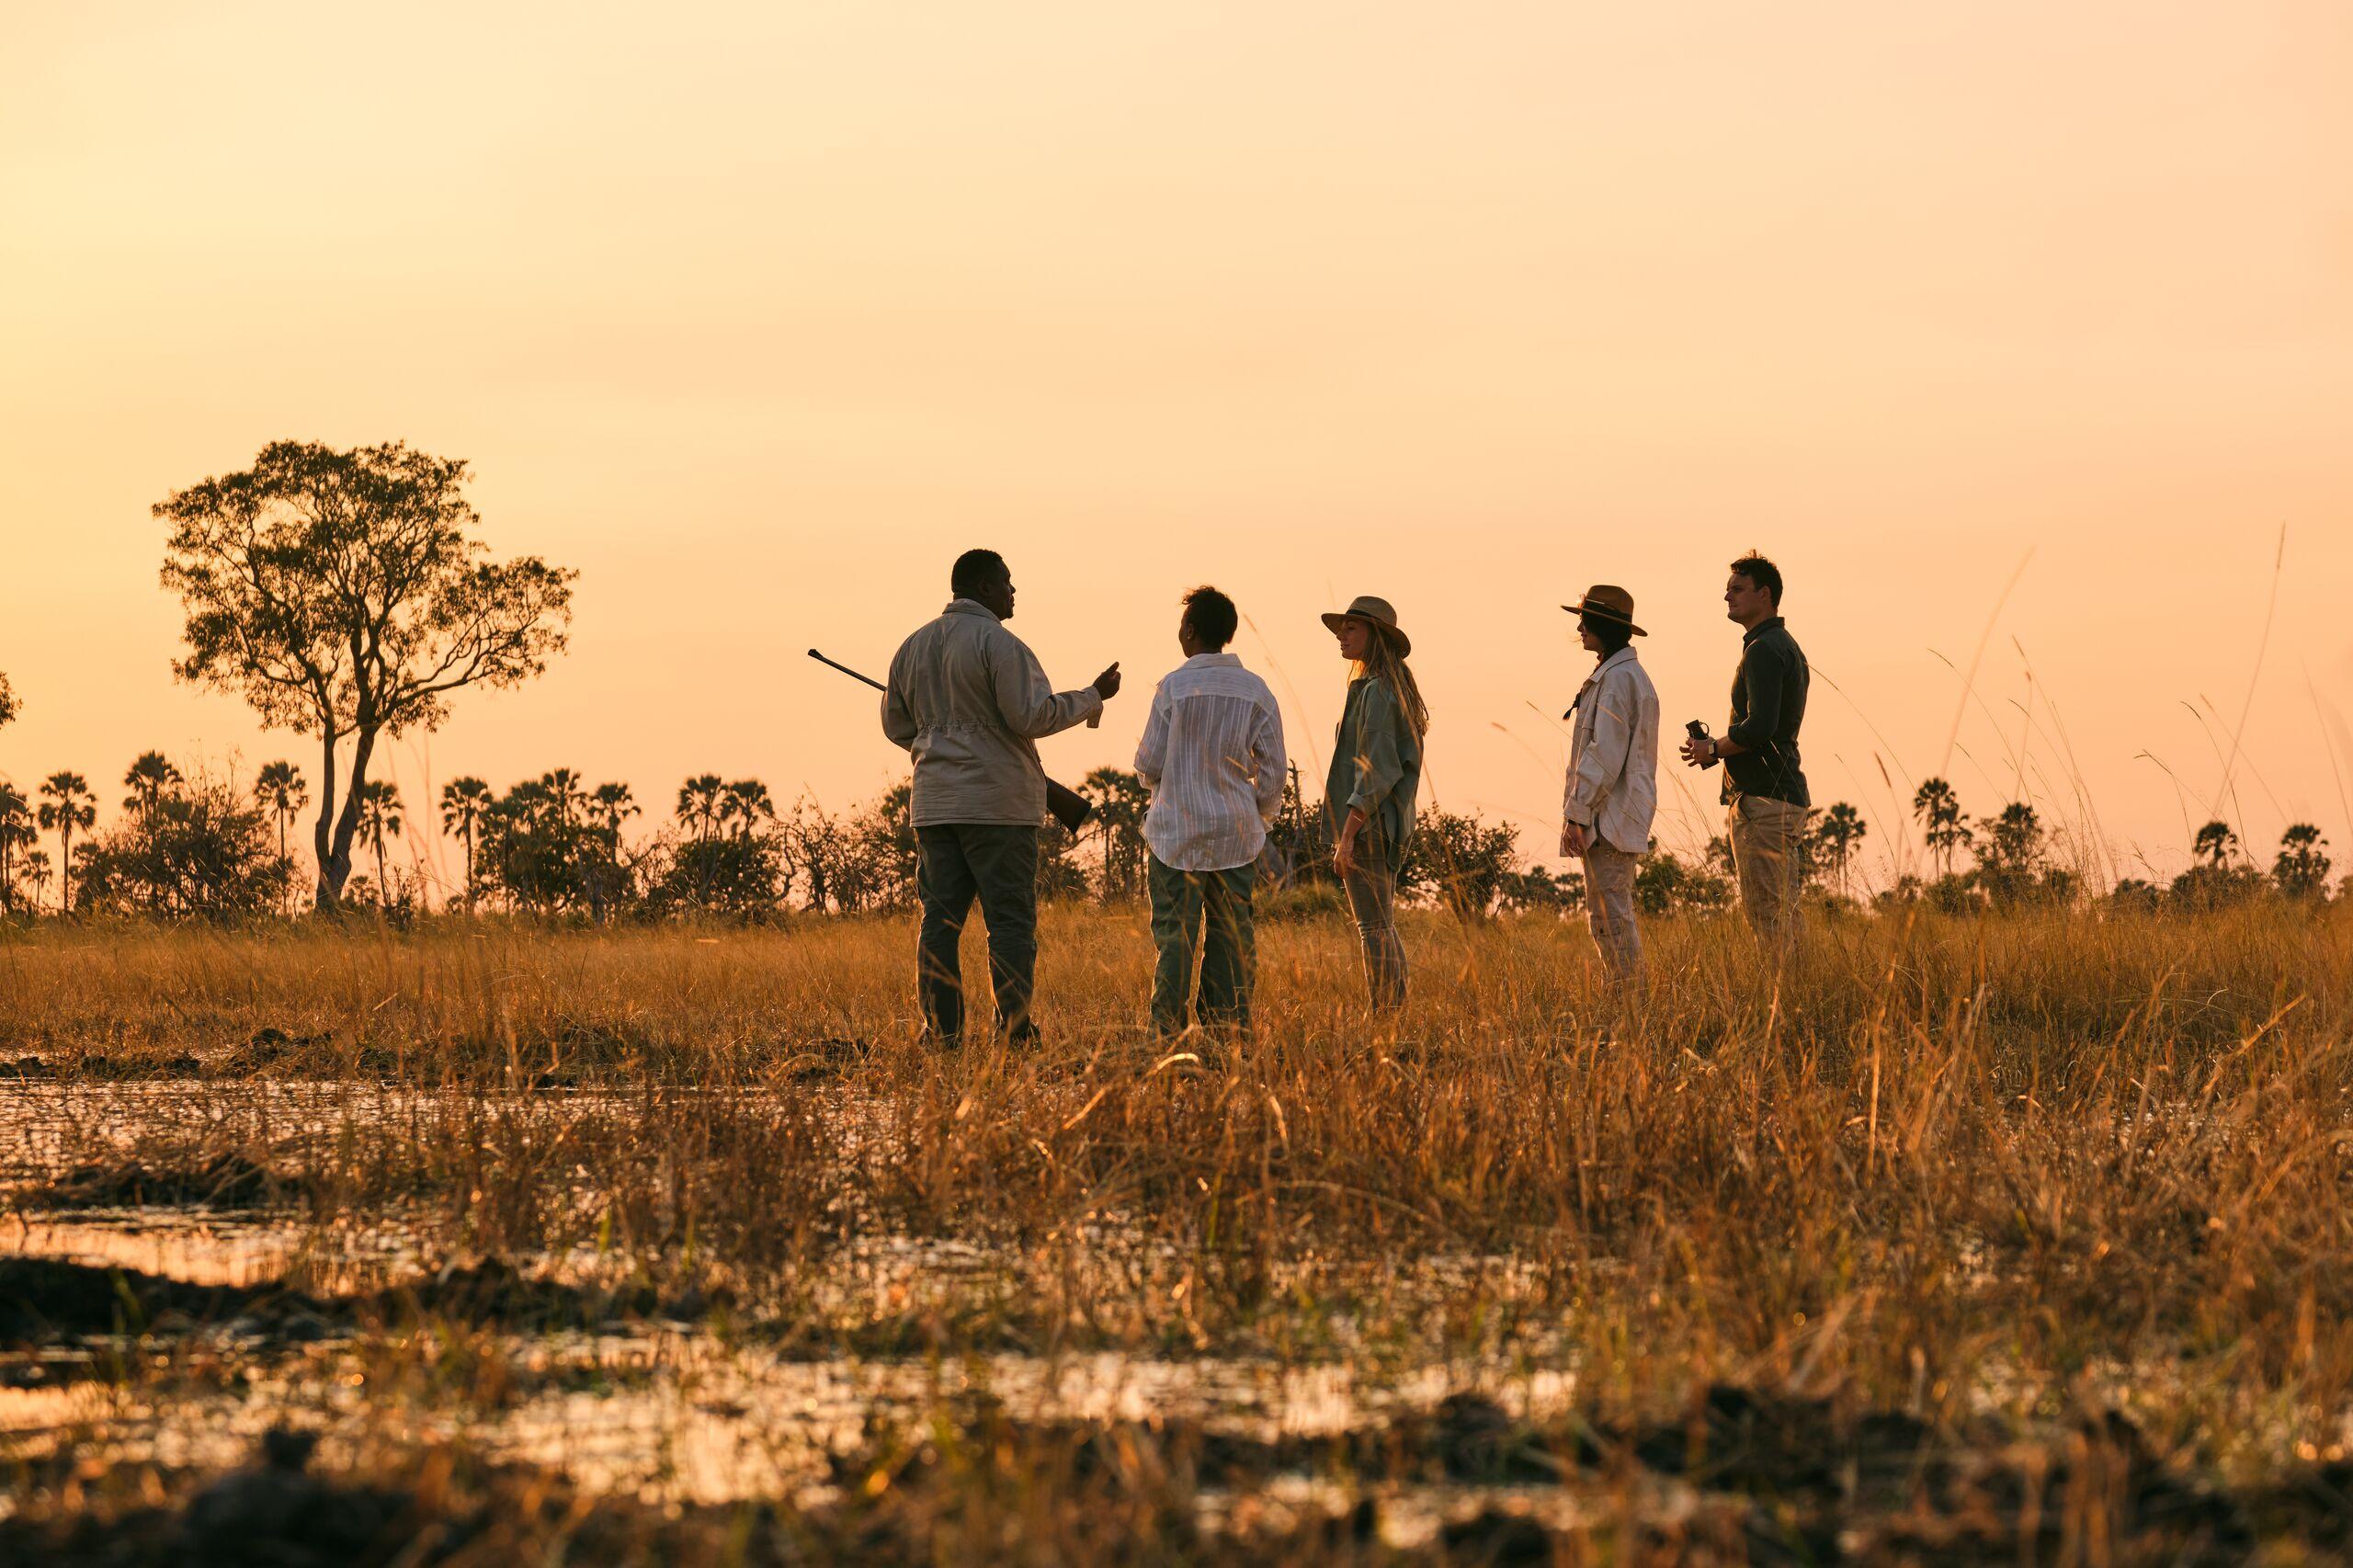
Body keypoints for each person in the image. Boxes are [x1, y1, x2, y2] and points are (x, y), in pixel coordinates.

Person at [881, 549, 1120, 1045]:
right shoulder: (1001, 644)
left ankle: (942, 1033)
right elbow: (1031, 717)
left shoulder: (911, 647)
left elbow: (896, 726)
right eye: (1007, 583)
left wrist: (940, 745)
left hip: (935, 807)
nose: (1014, 592)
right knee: (1009, 923)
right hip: (999, 811)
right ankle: (1013, 1031)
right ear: (985, 587)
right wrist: (1093, 695)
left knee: (939, 925)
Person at [1133, 586, 1286, 1040]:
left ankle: (1166, 1034)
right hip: (1236, 837)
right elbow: (1274, 771)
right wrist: (1256, 817)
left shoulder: (1173, 687)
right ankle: (1229, 1033)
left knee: (1175, 940)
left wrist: (1160, 786)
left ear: (1191, 630)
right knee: (1232, 940)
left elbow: (1148, 763)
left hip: (1175, 836)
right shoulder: (1256, 690)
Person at [1678, 551, 1810, 948]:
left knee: (1767, 917)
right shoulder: (1779, 645)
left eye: (1737, 589)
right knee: (1782, 913)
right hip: (1780, 795)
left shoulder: (1764, 649)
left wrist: (1713, 748)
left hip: (1764, 801)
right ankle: (1800, 997)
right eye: (1727, 589)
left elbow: (1760, 727)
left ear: (1765, 594)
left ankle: (1784, 1004)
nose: (1727, 597)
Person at [1321, 596, 1425, 1012]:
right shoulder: (1378, 687)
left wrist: (1347, 835)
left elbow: (1375, 770)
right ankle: (1393, 1013)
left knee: (1373, 926)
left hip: (1371, 826)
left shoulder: (1379, 691)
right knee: (1381, 924)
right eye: (1342, 628)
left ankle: (1386, 1018)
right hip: (1382, 823)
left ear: (1374, 636)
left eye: (1351, 629)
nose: (1342, 637)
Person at [1559, 585, 1659, 994]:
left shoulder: (1618, 680)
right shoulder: (1621, 676)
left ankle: (1630, 1003)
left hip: (1609, 818)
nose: (1580, 627)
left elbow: (1604, 755)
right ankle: (1624, 1001)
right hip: (1614, 815)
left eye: (1587, 619)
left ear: (1605, 626)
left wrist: (1578, 814)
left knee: (1611, 917)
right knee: (1607, 915)